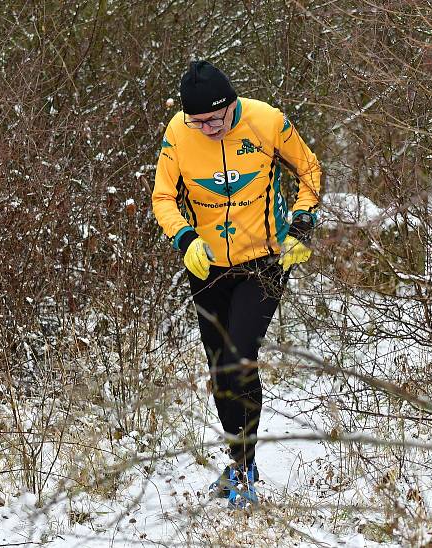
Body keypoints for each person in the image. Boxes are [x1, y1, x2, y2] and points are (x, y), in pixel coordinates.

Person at [151, 60, 321, 508]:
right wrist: (183, 237)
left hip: (263, 260)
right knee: (220, 368)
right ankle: (238, 458)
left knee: (239, 355)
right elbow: (163, 196)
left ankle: (243, 470)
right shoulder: (178, 132)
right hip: (206, 265)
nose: (206, 128)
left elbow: (310, 169)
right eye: (197, 120)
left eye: (214, 118)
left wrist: (302, 223)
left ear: (231, 105)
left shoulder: (267, 121)